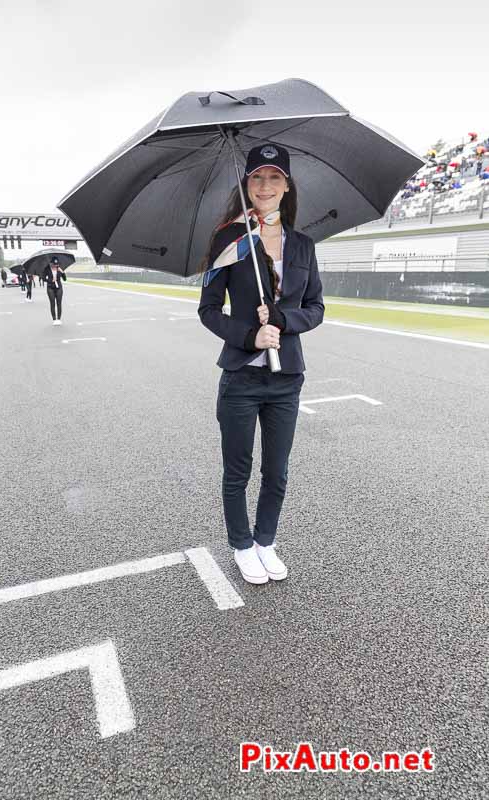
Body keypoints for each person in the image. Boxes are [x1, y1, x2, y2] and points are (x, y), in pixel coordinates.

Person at [198, 144, 324, 585]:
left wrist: (284, 321)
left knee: (278, 469)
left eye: (274, 177)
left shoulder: (304, 245)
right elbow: (209, 310)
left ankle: (266, 540)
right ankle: (241, 545)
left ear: (286, 186)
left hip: (286, 377)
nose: (265, 185)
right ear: (246, 184)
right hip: (241, 376)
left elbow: (316, 307)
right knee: (238, 469)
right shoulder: (227, 241)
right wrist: (251, 335)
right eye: (257, 177)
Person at [42, 256, 66, 324]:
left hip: (59, 288)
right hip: (50, 287)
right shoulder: (47, 268)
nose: (56, 266)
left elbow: (65, 279)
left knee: (59, 303)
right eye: (54, 264)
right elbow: (43, 278)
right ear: (51, 263)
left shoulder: (59, 268)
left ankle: (58, 319)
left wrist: (62, 272)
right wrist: (50, 280)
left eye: (57, 264)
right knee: (52, 303)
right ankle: (54, 319)